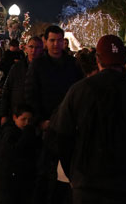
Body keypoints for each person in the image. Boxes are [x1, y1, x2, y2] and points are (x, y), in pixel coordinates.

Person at [50, 35, 126, 203]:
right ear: (123, 60)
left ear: (98, 59)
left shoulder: (79, 90)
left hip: (87, 180)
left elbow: (62, 135)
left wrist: (72, 173)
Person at [26, 25, 83, 202]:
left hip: (67, 126)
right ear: (45, 41)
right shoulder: (38, 65)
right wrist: (39, 121)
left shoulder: (73, 64)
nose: (56, 44)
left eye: (59, 40)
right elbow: (31, 94)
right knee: (43, 171)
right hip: (45, 126)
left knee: (65, 173)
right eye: (52, 40)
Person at [0, 104, 41, 204]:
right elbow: (15, 151)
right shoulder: (9, 132)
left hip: (25, 175)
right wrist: (28, 132)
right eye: (23, 119)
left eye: (29, 120)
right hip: (12, 177)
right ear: (15, 117)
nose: (26, 123)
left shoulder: (28, 131)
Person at [0, 36, 43, 124]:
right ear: (26, 47)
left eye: (37, 48)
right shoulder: (17, 67)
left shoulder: (45, 68)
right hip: (17, 113)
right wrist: (3, 114)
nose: (33, 50)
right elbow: (7, 89)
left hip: (36, 116)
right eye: (31, 47)